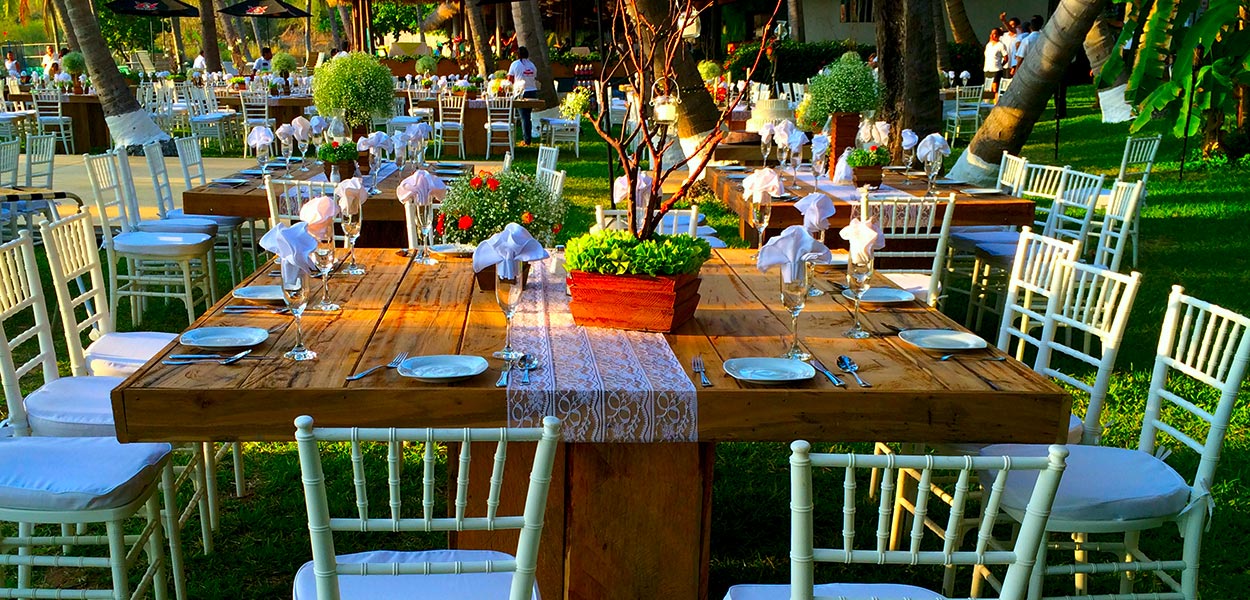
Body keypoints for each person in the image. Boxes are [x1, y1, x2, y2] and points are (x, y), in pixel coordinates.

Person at [507, 46, 539, 145]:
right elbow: (534, 77)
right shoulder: (532, 65)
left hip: (521, 92)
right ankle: (527, 137)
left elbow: (510, 79)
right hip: (532, 91)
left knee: (524, 117)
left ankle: (527, 140)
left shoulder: (515, 64)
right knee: (527, 116)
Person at [983, 28, 1008, 93]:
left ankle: (996, 99)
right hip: (987, 69)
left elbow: (1006, 57)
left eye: (994, 34)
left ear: (998, 35)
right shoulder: (988, 45)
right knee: (988, 89)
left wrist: (1001, 65)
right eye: (991, 33)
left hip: (996, 69)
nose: (992, 35)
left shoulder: (1001, 45)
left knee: (995, 88)